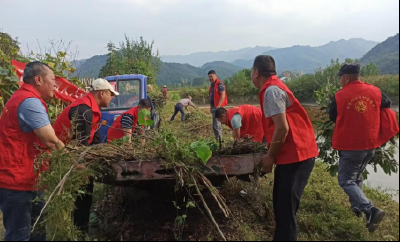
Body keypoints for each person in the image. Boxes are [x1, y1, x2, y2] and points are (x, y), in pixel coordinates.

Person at [252, 55, 319, 241]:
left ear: (256, 72)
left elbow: (282, 128)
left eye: (251, 71)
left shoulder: (271, 91)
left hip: (296, 157)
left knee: (285, 212)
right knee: (283, 209)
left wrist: (270, 156)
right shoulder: (275, 86)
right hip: (294, 155)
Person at [329, 63, 399, 233]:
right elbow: (386, 105)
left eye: (340, 78)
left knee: (345, 180)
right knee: (357, 175)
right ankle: (356, 209)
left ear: (345, 77)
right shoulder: (375, 91)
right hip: (371, 144)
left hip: (351, 146)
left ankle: (370, 209)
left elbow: (333, 117)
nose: (340, 81)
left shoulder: (339, 96)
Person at [0, 62, 65, 241]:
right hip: (17, 181)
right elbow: (51, 141)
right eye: (52, 80)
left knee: (37, 231)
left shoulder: (24, 98)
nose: (55, 84)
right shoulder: (29, 102)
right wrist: (73, 161)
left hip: (30, 178)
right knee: (20, 235)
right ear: (38, 79)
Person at [53, 78, 118, 233]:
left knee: (85, 195)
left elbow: (93, 140)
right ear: (102, 93)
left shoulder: (91, 109)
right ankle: (78, 232)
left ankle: (81, 229)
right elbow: (80, 144)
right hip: (64, 157)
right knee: (81, 197)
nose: (112, 97)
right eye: (111, 94)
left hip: (73, 156)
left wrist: (104, 155)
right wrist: (83, 168)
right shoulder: (83, 110)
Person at [208, 70, 228, 141]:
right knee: (215, 125)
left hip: (218, 107)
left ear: (215, 76)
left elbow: (223, 95)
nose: (210, 78)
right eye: (209, 77)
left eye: (211, 76)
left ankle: (219, 141)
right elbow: (210, 97)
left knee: (216, 125)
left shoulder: (220, 84)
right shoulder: (211, 87)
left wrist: (218, 106)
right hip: (214, 107)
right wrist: (211, 107)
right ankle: (218, 139)